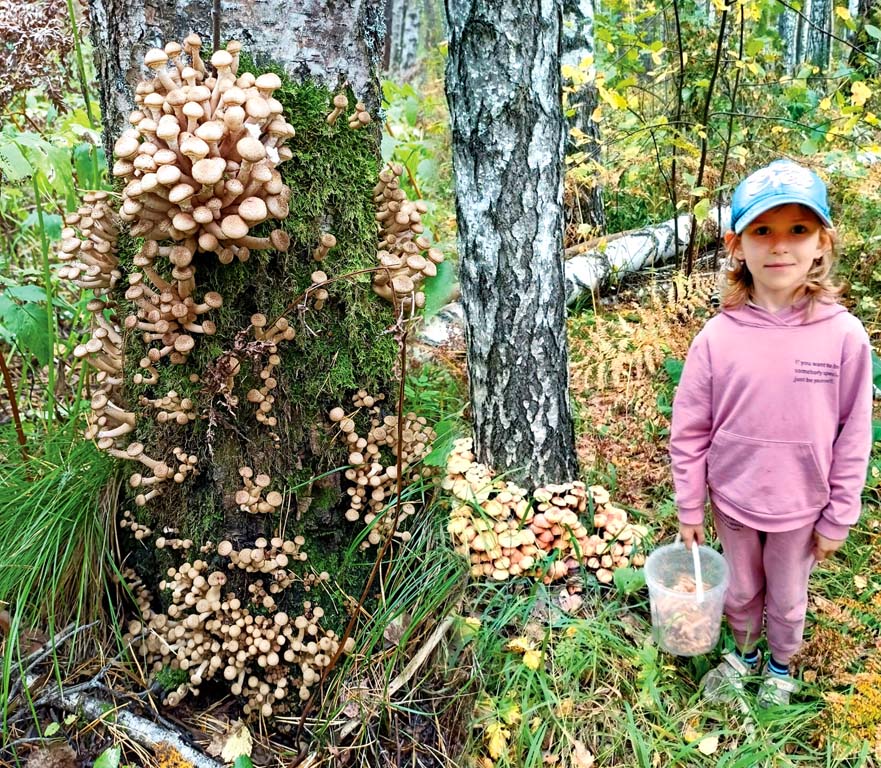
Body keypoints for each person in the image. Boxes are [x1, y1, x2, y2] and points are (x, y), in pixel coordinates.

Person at [669, 159, 873, 708]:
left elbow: (854, 433)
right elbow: (689, 430)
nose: (780, 246)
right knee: (739, 589)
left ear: (822, 243)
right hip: (732, 498)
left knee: (786, 597)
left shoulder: (844, 336)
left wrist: (840, 515)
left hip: (802, 506)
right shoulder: (716, 337)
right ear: (738, 245)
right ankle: (745, 655)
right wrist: (691, 506)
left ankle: (780, 666)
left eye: (797, 230)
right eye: (763, 231)